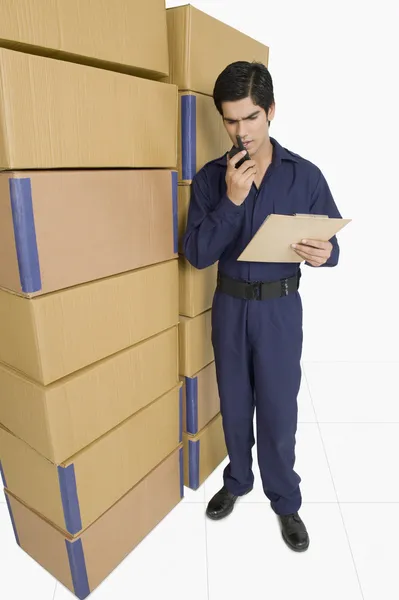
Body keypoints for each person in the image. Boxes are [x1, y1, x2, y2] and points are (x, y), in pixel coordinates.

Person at [182, 61, 342, 553]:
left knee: (277, 407)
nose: (241, 131)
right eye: (230, 120)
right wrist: (231, 201)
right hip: (229, 305)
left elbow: (332, 243)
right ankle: (237, 480)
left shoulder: (305, 175)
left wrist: (326, 253)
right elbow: (195, 254)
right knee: (233, 403)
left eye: (250, 118)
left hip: (279, 311)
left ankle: (285, 499)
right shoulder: (212, 179)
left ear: (270, 112)